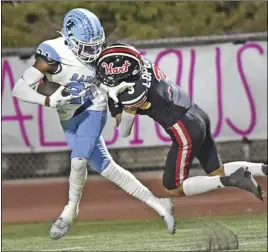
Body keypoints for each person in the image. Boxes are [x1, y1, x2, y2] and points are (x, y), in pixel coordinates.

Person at [12, 9, 176, 240]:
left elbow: (106, 82)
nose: (93, 52)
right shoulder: (52, 53)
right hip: (69, 119)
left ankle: (70, 211)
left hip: (93, 110)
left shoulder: (101, 56)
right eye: (87, 46)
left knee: (78, 162)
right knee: (108, 168)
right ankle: (159, 204)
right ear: (69, 38)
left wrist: (116, 91)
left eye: (96, 45)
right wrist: (47, 100)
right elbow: (18, 89)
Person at [95, 43, 267, 201]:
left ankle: (231, 180)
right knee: (216, 169)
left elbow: (124, 130)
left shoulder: (133, 95)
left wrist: (119, 104)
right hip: (196, 113)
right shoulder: (142, 65)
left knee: (173, 187)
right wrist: (116, 100)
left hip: (184, 128)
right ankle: (263, 169)